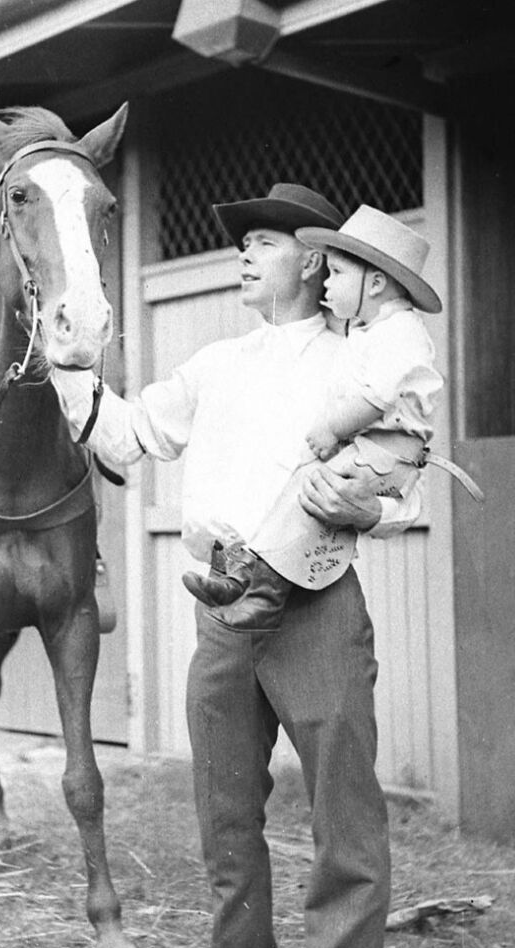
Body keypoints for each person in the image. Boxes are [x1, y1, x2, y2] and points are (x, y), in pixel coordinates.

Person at [51, 182, 421, 948]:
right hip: (220, 610)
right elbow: (122, 437)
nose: (242, 254)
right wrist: (64, 354)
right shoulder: (215, 364)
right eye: (242, 242)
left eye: (262, 241)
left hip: (319, 606)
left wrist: (367, 510)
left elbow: (405, 485)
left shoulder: (360, 365)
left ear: (313, 259)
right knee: (224, 823)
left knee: (344, 817)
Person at [181, 204, 451, 631]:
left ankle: (263, 597)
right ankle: (242, 577)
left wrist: (331, 429)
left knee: (307, 489)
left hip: (389, 451)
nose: (329, 281)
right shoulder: (368, 332)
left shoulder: (399, 332)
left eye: (339, 274)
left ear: (376, 283)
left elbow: (376, 397)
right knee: (297, 489)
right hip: (375, 448)